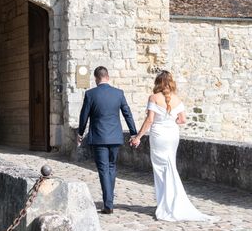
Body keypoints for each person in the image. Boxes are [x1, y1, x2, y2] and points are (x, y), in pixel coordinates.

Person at [130, 71, 214, 222]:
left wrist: (138, 137)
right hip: (172, 136)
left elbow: (149, 120)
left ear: (158, 83)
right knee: (170, 166)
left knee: (161, 169)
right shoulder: (177, 99)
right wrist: (171, 121)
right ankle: (172, 201)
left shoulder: (154, 98)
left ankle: (165, 203)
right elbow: (182, 119)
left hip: (159, 136)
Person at [78, 66, 137, 214]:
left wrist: (80, 133)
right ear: (108, 77)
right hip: (115, 137)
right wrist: (133, 133)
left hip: (99, 137)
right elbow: (127, 114)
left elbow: (84, 116)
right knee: (111, 167)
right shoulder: (118, 93)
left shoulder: (90, 94)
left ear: (96, 78)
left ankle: (108, 204)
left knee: (104, 169)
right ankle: (109, 201)